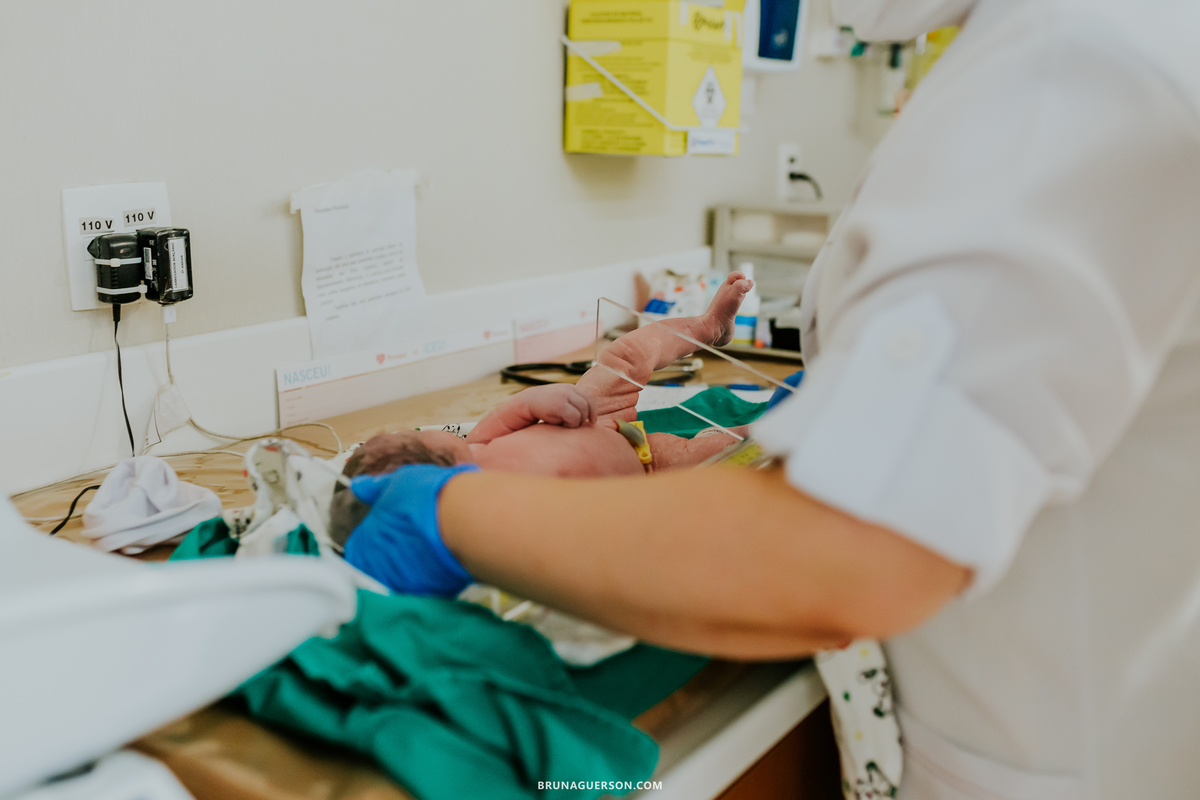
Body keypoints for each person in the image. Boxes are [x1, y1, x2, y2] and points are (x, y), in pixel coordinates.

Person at [347, 0, 1200, 795]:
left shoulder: (1071, 68)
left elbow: (852, 551)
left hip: (1048, 740)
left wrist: (452, 514)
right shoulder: (1055, 55)